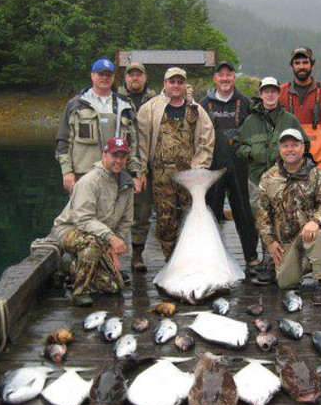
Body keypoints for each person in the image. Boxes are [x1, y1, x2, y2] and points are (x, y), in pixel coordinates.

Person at [234, 76, 309, 284]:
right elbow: (237, 147)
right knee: (263, 221)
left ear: (279, 93)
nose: (269, 94)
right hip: (257, 180)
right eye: (266, 90)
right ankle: (267, 261)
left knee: (285, 221)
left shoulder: (289, 119)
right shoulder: (250, 121)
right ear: (260, 93)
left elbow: (306, 145)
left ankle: (286, 262)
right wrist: (253, 151)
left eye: (273, 90)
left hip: (285, 180)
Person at [136, 67, 215, 259]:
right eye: (172, 81)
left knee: (191, 218)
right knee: (165, 221)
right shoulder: (150, 108)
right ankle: (170, 260)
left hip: (190, 176)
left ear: (185, 85)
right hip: (161, 176)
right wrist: (140, 171)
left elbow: (207, 139)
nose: (176, 85)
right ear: (165, 83)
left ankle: (191, 258)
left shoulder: (196, 110)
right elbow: (140, 142)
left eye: (180, 82)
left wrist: (199, 168)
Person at [50, 137, 134, 307]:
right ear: (104, 155)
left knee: (114, 286)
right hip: (70, 230)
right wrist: (111, 237)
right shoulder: (89, 181)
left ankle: (69, 264)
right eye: (114, 156)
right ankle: (80, 291)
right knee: (92, 243)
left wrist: (113, 249)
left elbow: (126, 220)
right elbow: (83, 219)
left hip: (100, 236)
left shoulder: (127, 184)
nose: (118, 161)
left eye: (123, 156)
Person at [254, 129, 321, 303]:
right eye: (286, 146)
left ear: (303, 147)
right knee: (285, 283)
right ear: (280, 149)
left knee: (317, 235)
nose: (290, 149)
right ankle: (312, 263)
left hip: (308, 235)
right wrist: (270, 242)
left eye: (294, 145)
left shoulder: (317, 176)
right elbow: (262, 213)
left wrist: (315, 221)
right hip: (285, 243)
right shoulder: (269, 177)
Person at [279, 47, 321, 269]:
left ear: (311, 64)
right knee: (289, 207)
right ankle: (293, 257)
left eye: (305, 62)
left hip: (320, 158)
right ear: (292, 66)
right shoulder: (282, 91)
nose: (301, 66)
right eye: (297, 63)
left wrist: (315, 147)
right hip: (291, 157)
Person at [199, 61, 260, 267]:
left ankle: (251, 257)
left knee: (244, 212)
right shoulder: (202, 105)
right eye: (220, 75)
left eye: (229, 75)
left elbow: (255, 133)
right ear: (214, 78)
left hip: (240, 167)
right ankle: (210, 257)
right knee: (211, 212)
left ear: (234, 77)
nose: (225, 79)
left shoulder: (246, 103)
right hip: (212, 167)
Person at [55, 58, 142, 195]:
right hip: (83, 176)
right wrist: (67, 172)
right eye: (101, 74)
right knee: (83, 215)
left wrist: (136, 174)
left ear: (113, 78)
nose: (104, 78)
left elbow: (135, 145)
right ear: (92, 75)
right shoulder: (75, 105)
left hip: (117, 176)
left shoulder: (125, 106)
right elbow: (63, 141)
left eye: (108, 75)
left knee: (116, 216)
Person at [117, 62, 157, 273]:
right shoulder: (116, 100)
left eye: (138, 75)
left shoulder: (156, 100)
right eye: (131, 75)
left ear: (144, 77)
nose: (135, 78)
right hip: (120, 162)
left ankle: (137, 255)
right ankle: (111, 254)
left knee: (142, 211)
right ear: (125, 78)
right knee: (115, 210)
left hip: (147, 163)